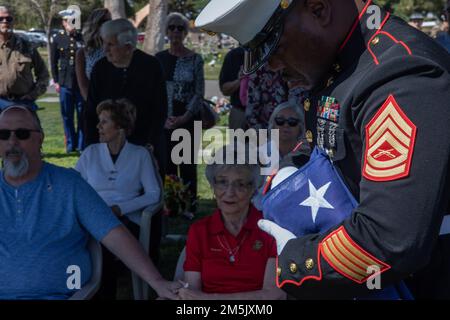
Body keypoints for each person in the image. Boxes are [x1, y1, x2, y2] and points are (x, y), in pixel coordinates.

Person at [196, 0, 450, 299]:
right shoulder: (345, 59)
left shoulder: (401, 77)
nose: (274, 68)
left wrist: (293, 260)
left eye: (275, 47)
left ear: (319, 9)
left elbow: (391, 241)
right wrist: (292, 167)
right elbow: (327, 139)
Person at [0, 105, 180, 299]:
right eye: (3, 134)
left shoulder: (69, 185)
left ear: (40, 139)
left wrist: (157, 281)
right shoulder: (91, 154)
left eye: (22, 134)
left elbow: (114, 234)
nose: (12, 142)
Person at [86, 18, 168, 265]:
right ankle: (107, 258)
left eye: (110, 45)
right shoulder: (101, 67)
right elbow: (91, 110)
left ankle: (146, 257)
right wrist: (93, 147)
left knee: (146, 203)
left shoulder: (150, 66)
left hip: (145, 144)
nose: (106, 50)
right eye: (104, 44)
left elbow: (159, 109)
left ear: (129, 45)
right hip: (107, 146)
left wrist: (150, 145)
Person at [76, 98, 161, 299]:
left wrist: (120, 209)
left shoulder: (140, 155)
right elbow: (74, 185)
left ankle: (104, 296)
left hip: (125, 219)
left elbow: (154, 194)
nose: (98, 126)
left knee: (104, 243)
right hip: (92, 216)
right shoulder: (90, 153)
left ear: (120, 127)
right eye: (99, 121)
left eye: (104, 122)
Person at [178, 145, 286, 300]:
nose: (230, 192)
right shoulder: (199, 231)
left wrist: (210, 299)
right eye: (222, 182)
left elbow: (273, 295)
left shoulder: (270, 229)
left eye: (240, 184)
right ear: (212, 186)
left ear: (253, 189)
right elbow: (191, 294)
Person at [156, 12, 204, 218]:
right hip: (165, 121)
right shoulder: (159, 59)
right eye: (172, 27)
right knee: (166, 164)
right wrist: (164, 118)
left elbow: (199, 92)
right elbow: (154, 91)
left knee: (186, 166)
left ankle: (188, 207)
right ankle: (169, 205)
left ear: (185, 32)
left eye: (180, 28)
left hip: (187, 119)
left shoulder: (195, 59)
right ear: (166, 32)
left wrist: (185, 117)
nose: (176, 31)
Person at [0, 6, 49, 111]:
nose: (5, 22)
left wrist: (33, 94)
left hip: (23, 102)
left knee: (33, 127)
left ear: (13, 22)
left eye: (8, 19)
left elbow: (43, 74)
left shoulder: (26, 45)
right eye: (1, 19)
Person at [50, 9, 85, 153]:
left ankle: (82, 145)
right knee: (67, 115)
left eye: (74, 21)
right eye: (69, 21)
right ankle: (71, 145)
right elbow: (53, 61)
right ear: (64, 23)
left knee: (82, 115)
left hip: (81, 83)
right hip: (65, 82)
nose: (72, 24)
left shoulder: (82, 38)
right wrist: (57, 81)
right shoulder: (58, 38)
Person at [75, 8, 111, 101]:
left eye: (110, 21)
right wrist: (95, 106)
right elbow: (83, 86)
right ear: (96, 24)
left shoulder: (116, 48)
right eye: (105, 21)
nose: (108, 24)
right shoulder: (83, 53)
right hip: (94, 102)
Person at [219, 46, 247, 130]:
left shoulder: (269, 53)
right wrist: (240, 80)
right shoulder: (233, 55)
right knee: (237, 143)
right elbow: (225, 89)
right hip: (240, 111)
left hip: (265, 113)